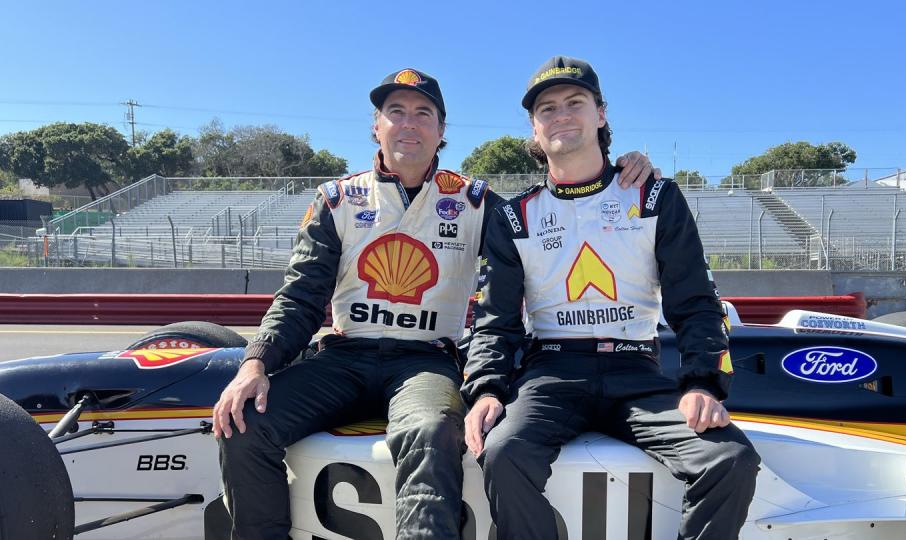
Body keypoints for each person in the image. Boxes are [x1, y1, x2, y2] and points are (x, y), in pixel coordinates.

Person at [212, 67, 661, 540]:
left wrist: (623, 174)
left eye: (423, 113)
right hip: (344, 356)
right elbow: (301, 297)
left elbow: (562, 207)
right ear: (376, 124)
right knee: (244, 424)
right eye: (396, 112)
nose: (409, 123)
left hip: (426, 362)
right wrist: (256, 362)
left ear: (442, 130)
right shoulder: (337, 199)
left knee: (430, 433)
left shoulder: (476, 201)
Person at [462, 56, 760, 540]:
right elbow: (495, 319)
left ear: (600, 114)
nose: (561, 115)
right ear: (534, 130)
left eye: (574, 102)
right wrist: (487, 389)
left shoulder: (655, 197)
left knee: (732, 458)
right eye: (547, 108)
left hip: (636, 369)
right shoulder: (513, 217)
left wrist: (703, 383)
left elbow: (696, 303)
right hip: (550, 371)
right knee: (503, 453)